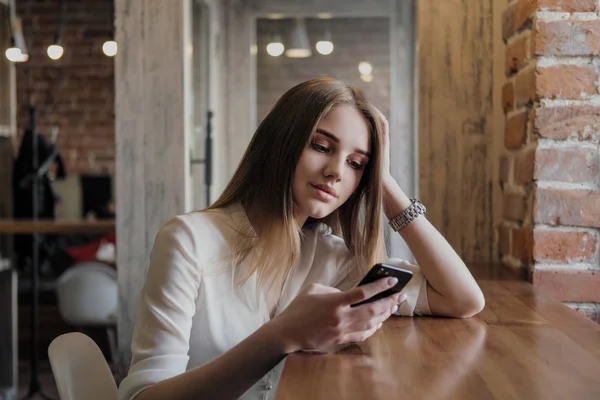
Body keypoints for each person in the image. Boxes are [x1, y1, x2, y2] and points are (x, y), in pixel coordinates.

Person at [118, 77, 485, 400]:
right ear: (281, 142)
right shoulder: (189, 241)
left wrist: (384, 184)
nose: (335, 172)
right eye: (322, 146)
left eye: (356, 163)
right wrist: (281, 336)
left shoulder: (334, 259)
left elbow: (462, 299)